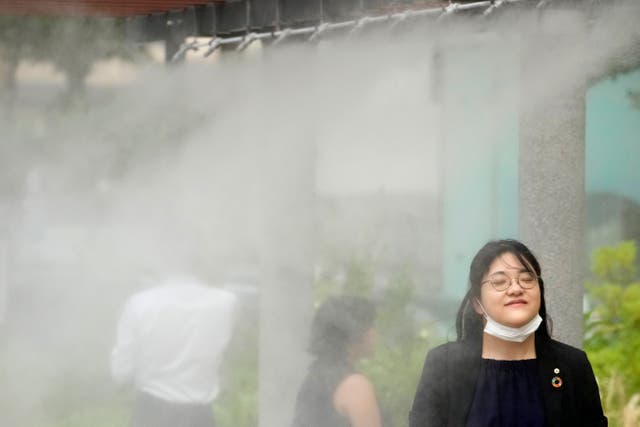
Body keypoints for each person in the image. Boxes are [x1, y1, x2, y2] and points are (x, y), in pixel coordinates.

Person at [410, 239, 607, 427]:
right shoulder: (443, 365)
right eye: (500, 281)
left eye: (527, 279)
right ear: (477, 303)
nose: (516, 288)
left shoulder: (572, 365)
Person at [111, 275, 237, 427]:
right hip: (200, 417)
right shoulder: (226, 302)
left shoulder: (140, 303)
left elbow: (121, 372)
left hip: (151, 413)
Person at [292, 295, 382, 427]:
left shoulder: (314, 377)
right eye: (370, 325)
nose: (374, 332)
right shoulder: (354, 385)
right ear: (354, 332)